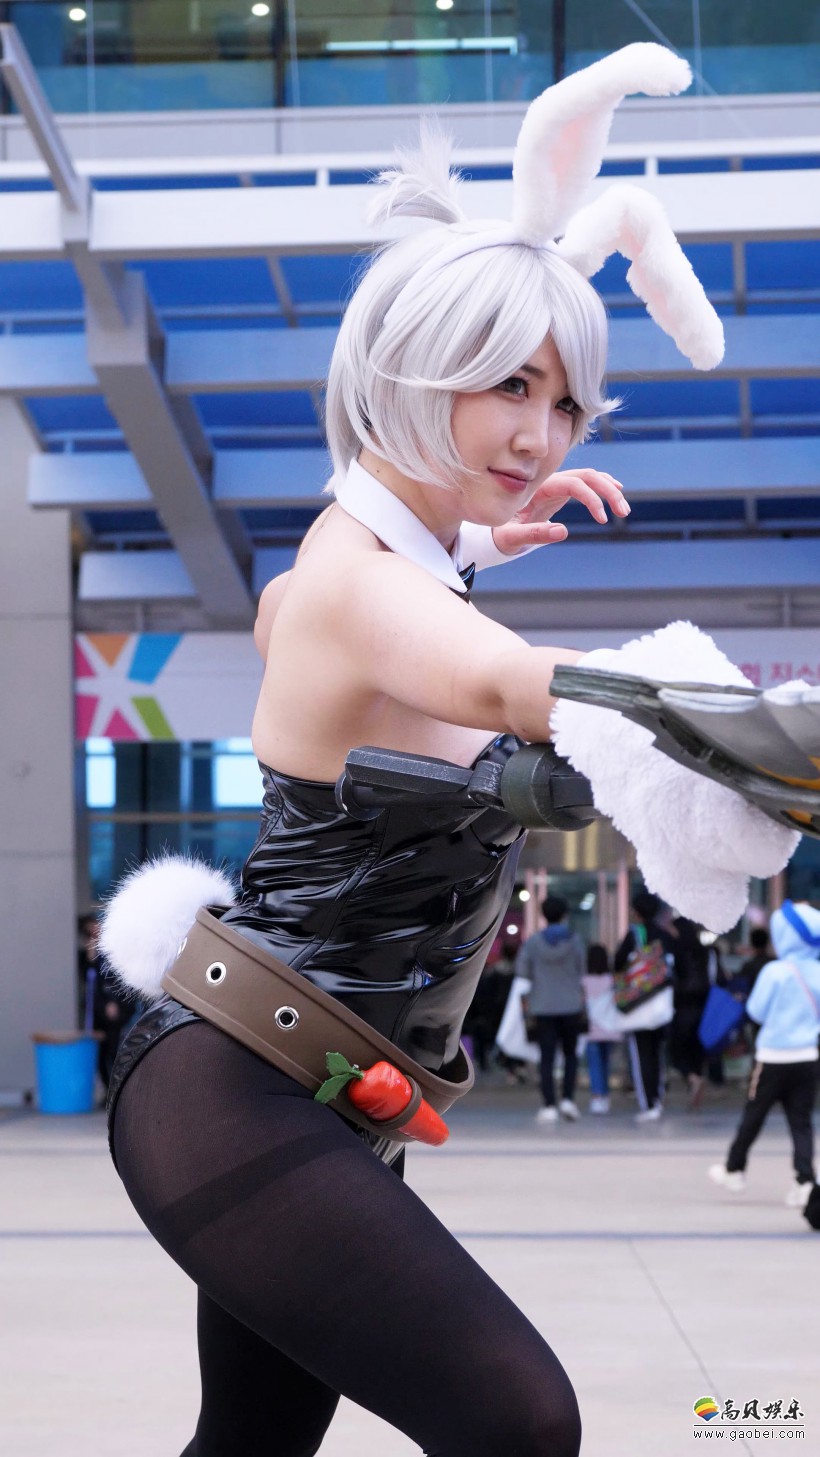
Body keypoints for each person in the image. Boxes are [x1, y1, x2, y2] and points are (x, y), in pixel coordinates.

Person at [97, 46, 793, 1457]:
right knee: (518, 1420)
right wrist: (753, 728)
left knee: (252, 1443)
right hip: (237, 1084)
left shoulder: (361, 568)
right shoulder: (369, 590)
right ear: (414, 370)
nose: (541, 434)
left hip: (316, 1084)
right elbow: (506, 681)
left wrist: (464, 536)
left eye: (565, 402)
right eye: (508, 387)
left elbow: (313, 609)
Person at [709, 900, 820, 1209]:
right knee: (801, 1122)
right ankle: (805, 1181)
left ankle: (734, 1169)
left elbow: (756, 1010)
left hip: (772, 1058)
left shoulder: (775, 971)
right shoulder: (817, 971)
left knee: (754, 1115)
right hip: (807, 1057)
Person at [518, 896, 586, 1122]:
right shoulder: (575, 941)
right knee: (570, 1055)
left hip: (542, 1006)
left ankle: (549, 1105)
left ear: (544, 915)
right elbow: (582, 969)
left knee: (546, 1058)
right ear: (565, 915)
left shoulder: (533, 942)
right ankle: (568, 1100)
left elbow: (523, 971)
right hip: (571, 1006)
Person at [614, 890, 676, 1122]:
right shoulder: (665, 935)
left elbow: (618, 963)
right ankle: (657, 1099)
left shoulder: (633, 935)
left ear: (636, 912)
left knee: (641, 1057)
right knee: (657, 1054)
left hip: (638, 1004)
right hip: (661, 1004)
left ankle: (648, 1103)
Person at [669, 916, 722, 1110]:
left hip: (682, 1003)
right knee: (695, 1049)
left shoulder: (675, 950)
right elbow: (714, 976)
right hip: (703, 1003)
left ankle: (692, 1078)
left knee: (676, 1049)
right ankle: (695, 1081)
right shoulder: (705, 950)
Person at [582, 942, 623, 1114]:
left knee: (594, 1065)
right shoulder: (613, 980)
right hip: (611, 1029)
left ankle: (597, 1097)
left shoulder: (584, 981)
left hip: (592, 1030)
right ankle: (605, 1095)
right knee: (605, 1064)